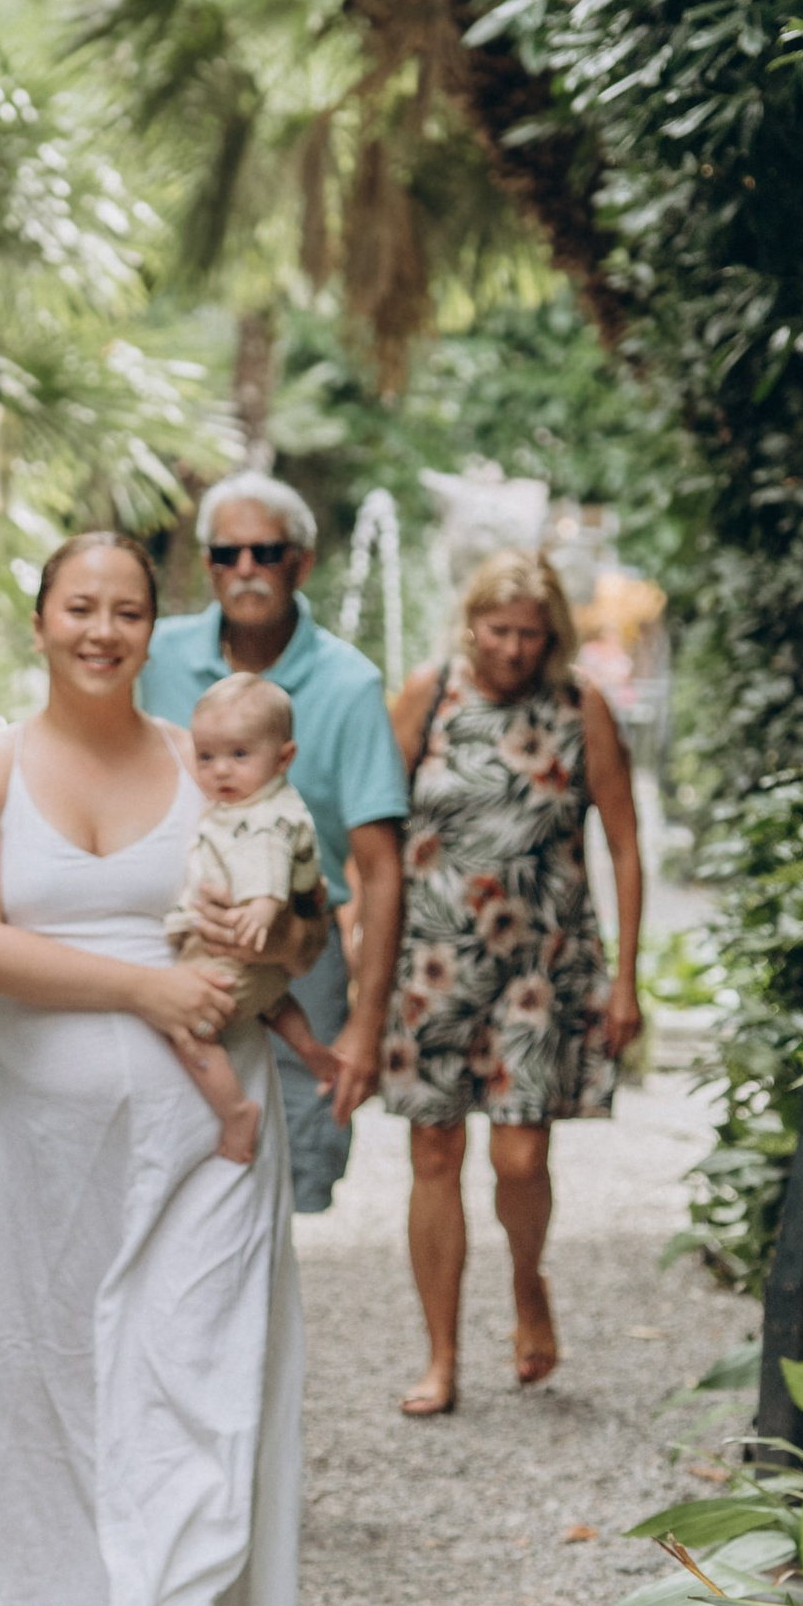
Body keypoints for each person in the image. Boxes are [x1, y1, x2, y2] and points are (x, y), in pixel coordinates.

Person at [0, 533, 309, 1606]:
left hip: (207, 1128)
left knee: (188, 1366)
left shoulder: (209, 761)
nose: (102, 629)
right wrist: (145, 990)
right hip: (41, 1140)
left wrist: (276, 930)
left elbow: (296, 933)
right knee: (47, 1373)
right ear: (39, 621)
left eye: (128, 610)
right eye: (79, 607)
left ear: (156, 627)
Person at [383, 549, 643, 1417]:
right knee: (433, 1151)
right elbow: (374, 829)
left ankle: (527, 1279)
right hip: (434, 960)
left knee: (520, 1153)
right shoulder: (428, 696)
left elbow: (624, 845)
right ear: (471, 623)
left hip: (542, 965)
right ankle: (440, 1355)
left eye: (531, 635)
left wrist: (627, 981)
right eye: (498, 630)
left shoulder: (580, 707)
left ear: (553, 635)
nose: (513, 649)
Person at [141, 472, 407, 1213]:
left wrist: (365, 1022)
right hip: (167, 947)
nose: (247, 568)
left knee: (285, 1181)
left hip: (297, 962)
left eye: (267, 551)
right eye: (228, 553)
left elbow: (381, 871)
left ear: (303, 562)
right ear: (209, 564)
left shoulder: (350, 685)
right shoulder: (153, 657)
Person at [161, 673, 339, 1166]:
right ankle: (307, 1045)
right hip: (262, 971)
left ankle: (237, 1111)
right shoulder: (257, 799)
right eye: (207, 756)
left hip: (237, 949)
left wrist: (262, 908)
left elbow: (269, 864)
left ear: (284, 758)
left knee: (186, 1026)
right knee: (273, 1000)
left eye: (239, 755)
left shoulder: (262, 818)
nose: (221, 771)